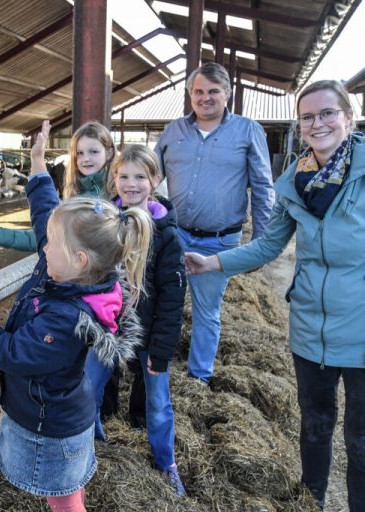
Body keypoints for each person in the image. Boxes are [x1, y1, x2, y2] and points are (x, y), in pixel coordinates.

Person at [184, 80, 365, 511]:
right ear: (299, 125)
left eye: (327, 113)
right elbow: (268, 245)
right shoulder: (295, 180)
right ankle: (310, 503)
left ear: (349, 118)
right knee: (315, 427)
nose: (317, 124)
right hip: (310, 331)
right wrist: (214, 262)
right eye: (308, 116)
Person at [0, 121, 153, 512]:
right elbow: (46, 211)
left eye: (52, 245)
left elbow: (11, 353)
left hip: (51, 431)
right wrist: (37, 163)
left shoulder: (66, 318)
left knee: (63, 502)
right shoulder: (81, 275)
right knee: (67, 489)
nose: (44, 250)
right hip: (65, 419)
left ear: (78, 259)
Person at [154, 61, 275, 385]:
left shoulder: (247, 130)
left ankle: (199, 377)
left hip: (218, 242)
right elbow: (149, 177)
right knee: (165, 303)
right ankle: (155, 367)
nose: (205, 98)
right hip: (175, 236)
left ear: (227, 94)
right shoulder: (173, 131)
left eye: (213, 91)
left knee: (207, 311)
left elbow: (263, 187)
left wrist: (260, 245)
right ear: (190, 94)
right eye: (198, 92)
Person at [83, 145, 187, 497]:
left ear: (155, 181)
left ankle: (166, 463)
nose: (131, 184)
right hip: (106, 330)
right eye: (124, 176)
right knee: (88, 390)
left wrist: (162, 350)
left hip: (148, 332)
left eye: (140, 176)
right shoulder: (105, 224)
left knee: (158, 402)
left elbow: (173, 300)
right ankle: (91, 449)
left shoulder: (167, 234)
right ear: (114, 178)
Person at [0, 120, 115, 251]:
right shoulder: (76, 193)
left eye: (94, 152)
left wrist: (37, 158)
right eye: (79, 153)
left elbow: (50, 236)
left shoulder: (114, 196)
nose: (85, 159)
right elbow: (49, 235)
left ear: (109, 153)